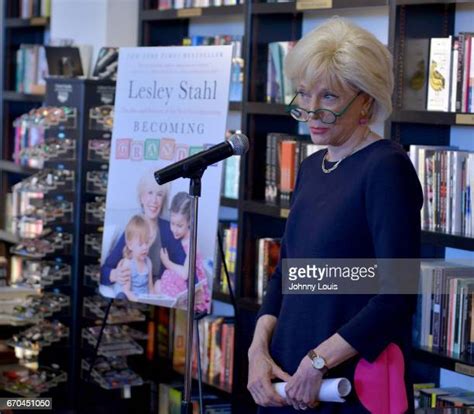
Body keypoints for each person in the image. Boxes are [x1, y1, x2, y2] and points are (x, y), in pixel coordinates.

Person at [247, 17, 423, 413]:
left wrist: (318, 362)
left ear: (367, 100)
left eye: (328, 97)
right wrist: (256, 351)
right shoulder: (313, 166)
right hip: (289, 373)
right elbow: (289, 271)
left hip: (347, 382)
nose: (310, 111)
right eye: (304, 94)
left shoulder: (386, 168)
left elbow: (397, 293)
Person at [100, 171, 186, 292]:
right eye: (150, 193)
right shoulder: (133, 228)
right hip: (133, 299)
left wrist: (196, 290)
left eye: (159, 194)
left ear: (163, 200)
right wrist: (115, 274)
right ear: (141, 197)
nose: (154, 200)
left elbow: (187, 267)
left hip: (159, 298)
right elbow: (103, 271)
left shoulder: (170, 229)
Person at [155, 192, 211, 312]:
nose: (174, 229)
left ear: (190, 222)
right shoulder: (174, 238)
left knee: (168, 274)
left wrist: (167, 262)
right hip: (181, 281)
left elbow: (186, 273)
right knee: (158, 284)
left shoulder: (191, 242)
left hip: (193, 284)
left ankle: (182, 303)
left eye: (179, 225)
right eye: (172, 223)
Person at [114, 214, 153, 301]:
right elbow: (127, 291)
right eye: (140, 244)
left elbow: (150, 287)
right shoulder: (128, 264)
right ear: (130, 245)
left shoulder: (148, 262)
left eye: (146, 242)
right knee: (121, 295)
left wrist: (154, 300)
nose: (145, 247)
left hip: (144, 298)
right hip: (131, 298)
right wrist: (138, 301)